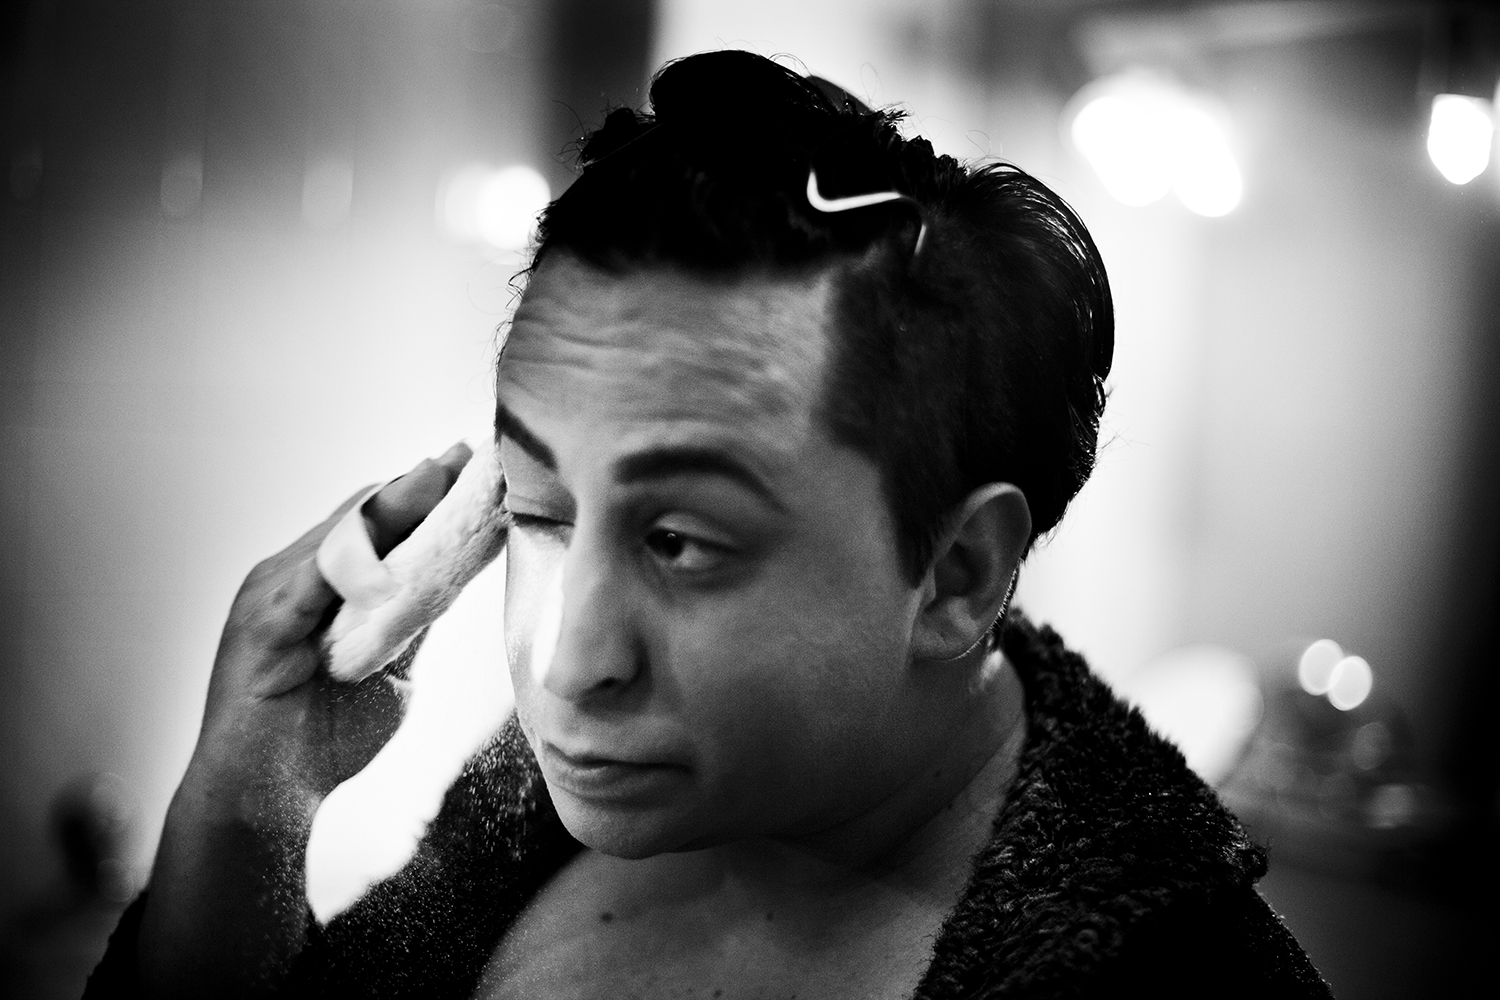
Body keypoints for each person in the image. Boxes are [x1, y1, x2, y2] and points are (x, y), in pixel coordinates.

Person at [88, 50, 1330, 998]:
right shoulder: (537, 802)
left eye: (681, 541)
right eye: (538, 508)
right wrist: (249, 803)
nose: (565, 662)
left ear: (955, 573)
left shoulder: (1173, 977)